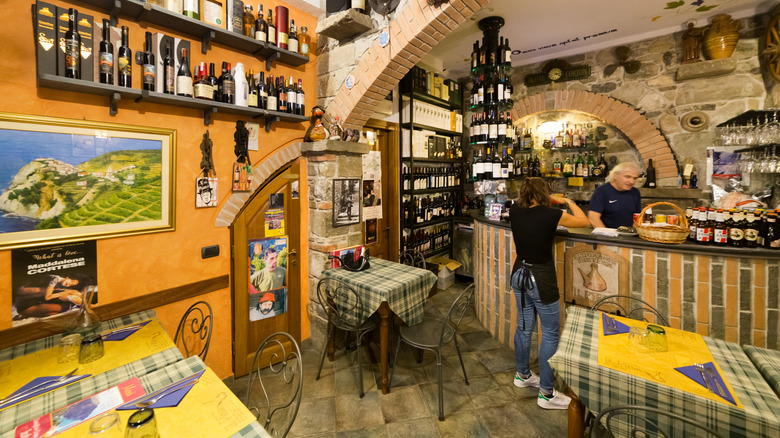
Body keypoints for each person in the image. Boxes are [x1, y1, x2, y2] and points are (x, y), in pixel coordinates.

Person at [509, 178, 589, 409]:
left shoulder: (515, 209)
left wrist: (542, 195)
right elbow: (583, 221)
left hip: (519, 274)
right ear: (546, 193)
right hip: (540, 279)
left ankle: (522, 376)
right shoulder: (551, 215)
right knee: (551, 333)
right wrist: (566, 200)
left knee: (524, 327)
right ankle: (546, 394)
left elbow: (522, 201)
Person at [588, 161, 642, 229]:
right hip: (607, 236)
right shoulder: (602, 191)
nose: (632, 181)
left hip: (629, 236)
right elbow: (593, 218)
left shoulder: (635, 192)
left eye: (635, 178)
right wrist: (608, 236)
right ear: (615, 175)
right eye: (627, 177)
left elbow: (636, 218)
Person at [14, 274, 92, 319]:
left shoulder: (62, 288)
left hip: (27, 304)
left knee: (54, 313)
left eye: (71, 285)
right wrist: (65, 292)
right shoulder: (55, 280)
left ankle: (27, 314)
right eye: (71, 281)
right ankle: (25, 313)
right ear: (67, 277)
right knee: (61, 307)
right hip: (23, 300)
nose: (69, 284)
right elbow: (47, 297)